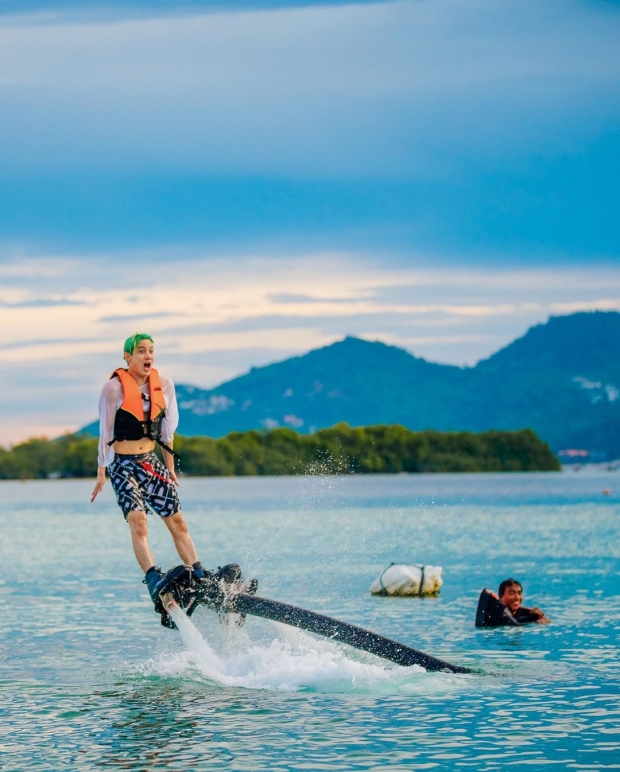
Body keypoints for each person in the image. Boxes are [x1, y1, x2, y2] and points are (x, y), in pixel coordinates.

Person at [90, 333, 208, 614]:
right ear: (128, 357)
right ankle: (153, 577)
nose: (147, 356)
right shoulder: (113, 389)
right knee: (139, 522)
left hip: (149, 462)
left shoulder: (164, 385)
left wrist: (169, 467)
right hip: (122, 464)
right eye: (141, 351)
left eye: (151, 351)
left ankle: (199, 573)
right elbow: (105, 432)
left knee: (178, 522)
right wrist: (101, 471)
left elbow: (167, 432)